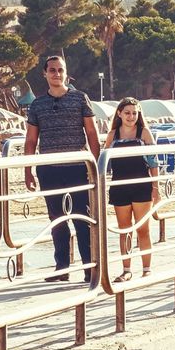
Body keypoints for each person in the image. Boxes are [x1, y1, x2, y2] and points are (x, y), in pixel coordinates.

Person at [24, 55, 100, 282]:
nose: (56, 74)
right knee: (56, 219)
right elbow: (30, 141)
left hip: (78, 168)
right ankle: (62, 268)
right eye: (52, 70)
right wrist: (28, 170)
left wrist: (93, 165)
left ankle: (90, 267)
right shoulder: (37, 104)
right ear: (45, 74)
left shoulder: (80, 99)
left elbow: (93, 134)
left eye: (60, 70)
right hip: (49, 170)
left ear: (66, 73)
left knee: (82, 218)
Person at [103, 97, 160, 282]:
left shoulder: (144, 133)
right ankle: (126, 269)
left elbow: (153, 162)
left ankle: (147, 267)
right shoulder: (113, 135)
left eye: (134, 113)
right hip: (119, 186)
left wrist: (155, 187)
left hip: (141, 186)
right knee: (124, 230)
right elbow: (103, 162)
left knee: (143, 229)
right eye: (127, 113)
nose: (131, 116)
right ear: (119, 113)